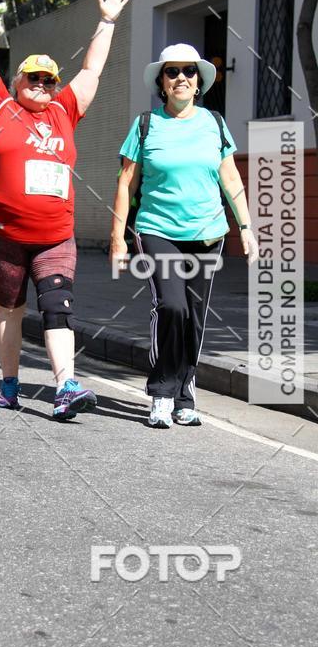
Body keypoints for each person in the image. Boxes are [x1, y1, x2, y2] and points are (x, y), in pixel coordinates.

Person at [0, 0, 129, 421]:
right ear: (16, 83)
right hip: (4, 236)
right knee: (10, 310)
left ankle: (65, 387)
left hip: (55, 236)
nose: (41, 85)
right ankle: (9, 383)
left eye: (49, 79)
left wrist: (107, 21)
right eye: (32, 78)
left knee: (57, 307)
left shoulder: (65, 111)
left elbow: (92, 69)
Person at [110, 44, 257, 429]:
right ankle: (161, 392)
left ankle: (184, 393)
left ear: (198, 83)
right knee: (172, 306)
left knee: (194, 316)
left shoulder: (215, 124)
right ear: (161, 81)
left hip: (208, 232)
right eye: (172, 71)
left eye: (188, 72)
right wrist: (117, 238)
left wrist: (246, 226)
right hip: (157, 229)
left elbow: (230, 178)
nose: (180, 78)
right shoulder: (146, 124)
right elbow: (126, 182)